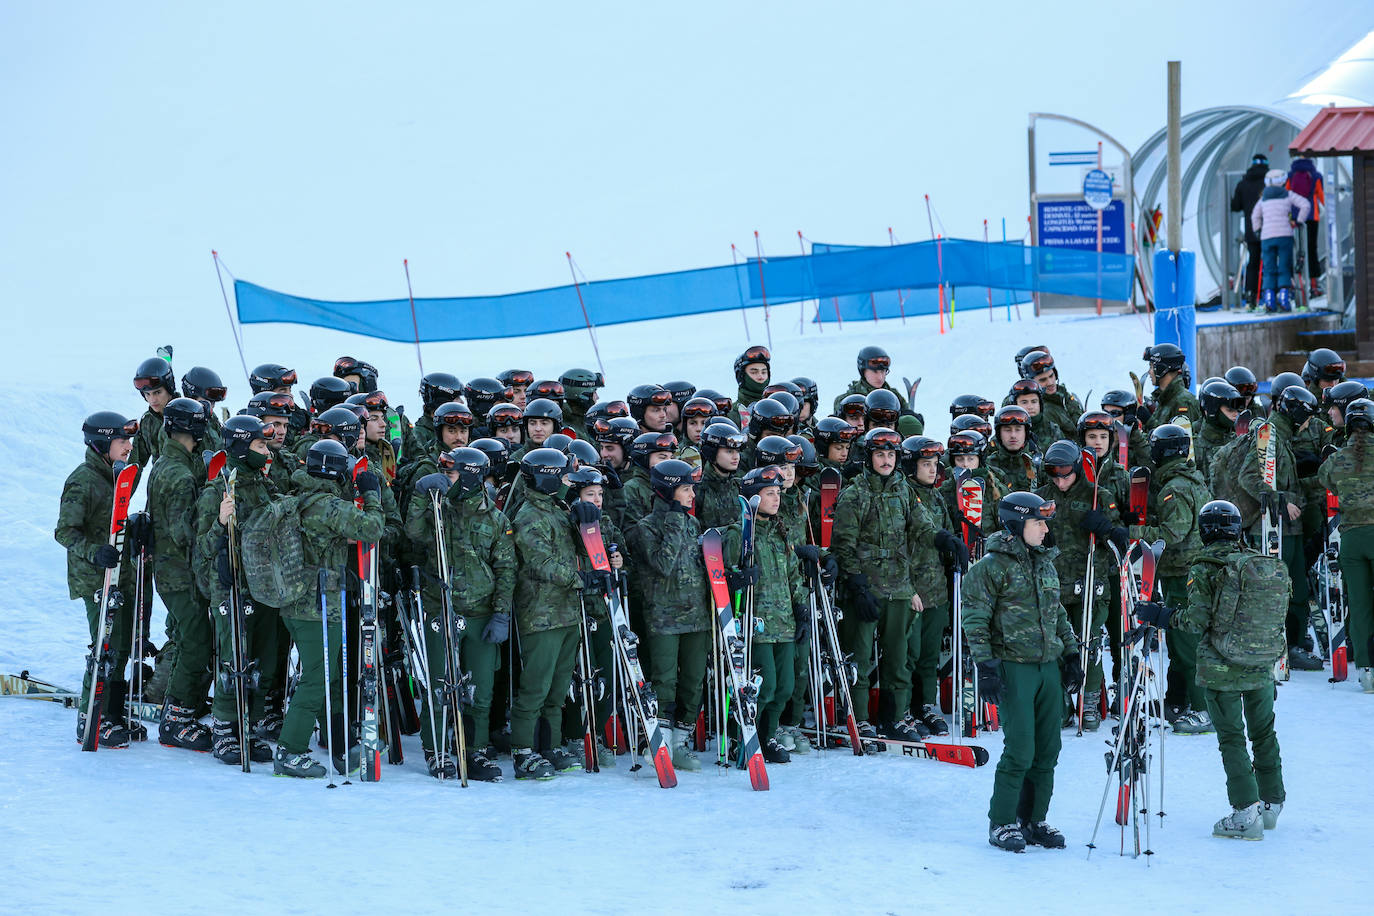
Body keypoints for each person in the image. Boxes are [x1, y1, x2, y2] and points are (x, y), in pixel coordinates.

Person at [1136, 500, 1288, 839]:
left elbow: (1195, 621)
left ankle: (1245, 813)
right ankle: (1271, 803)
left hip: (1223, 669)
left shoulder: (1204, 566)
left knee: (1232, 738)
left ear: (1204, 531)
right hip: (1261, 664)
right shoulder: (1260, 562)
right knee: (1264, 733)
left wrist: (1160, 616)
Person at [961, 492, 1082, 853]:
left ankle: (1034, 819)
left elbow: (1057, 612)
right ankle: (1002, 821)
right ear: (1016, 525)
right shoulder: (989, 568)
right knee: (1020, 749)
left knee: (1048, 749)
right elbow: (975, 619)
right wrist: (985, 666)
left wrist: (1072, 654)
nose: (1045, 529)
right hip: (1013, 668)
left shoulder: (1045, 563)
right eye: (1037, 522)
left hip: (1047, 667)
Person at [274, 440, 384, 778]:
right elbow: (373, 529)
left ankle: (337, 744)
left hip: (299, 603)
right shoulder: (328, 506)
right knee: (317, 680)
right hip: (317, 608)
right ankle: (289, 751)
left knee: (329, 676)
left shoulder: (302, 498)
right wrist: (372, 494)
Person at [404, 447, 515, 780]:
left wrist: (501, 614)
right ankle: (436, 747)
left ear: (469, 476)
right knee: (440, 686)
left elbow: (507, 569)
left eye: (451, 473)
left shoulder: (495, 519)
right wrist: (421, 495)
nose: (445, 479)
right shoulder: (439, 511)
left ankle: (474, 749)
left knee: (480, 689)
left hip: (480, 613)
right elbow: (414, 532)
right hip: (441, 607)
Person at [831, 427, 930, 744]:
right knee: (859, 658)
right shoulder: (855, 493)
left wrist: (944, 539)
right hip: (865, 589)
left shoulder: (904, 491)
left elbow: (923, 525)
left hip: (898, 586)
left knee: (897, 657)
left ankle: (894, 717)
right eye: (879, 454)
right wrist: (857, 585)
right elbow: (843, 544)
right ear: (868, 457)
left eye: (890, 454)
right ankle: (859, 718)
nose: (886, 460)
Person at [192, 415, 281, 766]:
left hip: (259, 584)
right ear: (243, 448)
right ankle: (226, 728)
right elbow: (201, 545)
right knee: (234, 657)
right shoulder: (219, 489)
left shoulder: (259, 483)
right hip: (229, 586)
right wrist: (219, 522)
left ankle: (250, 723)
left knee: (259, 658)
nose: (267, 451)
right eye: (260, 445)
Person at [56, 411, 143, 747]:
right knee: (104, 646)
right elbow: (65, 531)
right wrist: (95, 552)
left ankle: (112, 712)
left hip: (116, 574)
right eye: (123, 441)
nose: (129, 447)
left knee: (119, 645)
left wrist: (135, 527)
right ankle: (89, 715)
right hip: (93, 577)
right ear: (103, 443)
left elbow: (114, 521)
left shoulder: (113, 476)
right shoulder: (83, 480)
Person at [1035, 441, 1126, 732]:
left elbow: (1120, 543)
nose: (1060, 481)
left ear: (1077, 469)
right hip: (1053, 585)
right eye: (1054, 475)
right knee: (1055, 646)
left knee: (1089, 645)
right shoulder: (1040, 498)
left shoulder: (1098, 495)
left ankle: (1088, 703)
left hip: (1090, 583)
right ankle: (1059, 704)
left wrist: (1106, 529)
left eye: (1066, 474)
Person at [1128, 424, 1214, 731]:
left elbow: (1174, 532)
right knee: (1177, 641)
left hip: (1184, 572)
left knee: (1186, 641)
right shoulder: (1190, 479)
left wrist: (1134, 533)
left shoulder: (1174, 488)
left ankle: (1205, 710)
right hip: (1189, 569)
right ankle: (1178, 699)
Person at [627, 459, 711, 771]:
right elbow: (663, 564)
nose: (692, 495)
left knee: (693, 681)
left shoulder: (693, 523)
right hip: (663, 617)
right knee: (664, 680)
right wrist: (675, 520)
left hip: (697, 616)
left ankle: (680, 742)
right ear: (668, 490)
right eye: (686, 489)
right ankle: (659, 740)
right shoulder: (645, 528)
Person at [508, 448, 586, 779]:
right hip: (540, 614)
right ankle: (523, 751)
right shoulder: (528, 515)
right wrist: (580, 578)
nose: (566, 480)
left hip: (567, 612)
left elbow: (580, 547)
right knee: (536, 687)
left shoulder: (558, 510)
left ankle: (550, 745)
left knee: (558, 688)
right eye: (562, 475)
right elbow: (540, 562)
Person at [1237, 385, 1324, 671]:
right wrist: (1280, 502)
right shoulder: (1268, 436)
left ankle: (1294, 642)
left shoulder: (1283, 437)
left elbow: (1286, 482)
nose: (1310, 424)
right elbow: (1248, 477)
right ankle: (1276, 645)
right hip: (1271, 528)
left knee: (1297, 588)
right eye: (1308, 417)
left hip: (1291, 528)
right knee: (1275, 590)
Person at [146, 398, 216, 751]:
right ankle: (175, 720)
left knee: (192, 638)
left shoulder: (171, 463)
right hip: (179, 573)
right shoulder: (177, 473)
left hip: (174, 571)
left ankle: (179, 708)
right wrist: (212, 523)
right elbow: (182, 531)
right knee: (196, 641)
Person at [729, 465, 808, 764]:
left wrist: (800, 609)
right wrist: (735, 576)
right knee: (765, 687)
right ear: (752, 498)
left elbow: (793, 576)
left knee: (785, 687)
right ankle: (744, 737)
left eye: (777, 493)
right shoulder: (739, 533)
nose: (776, 499)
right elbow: (722, 572)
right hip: (756, 623)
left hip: (784, 623)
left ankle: (768, 736)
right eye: (769, 494)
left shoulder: (780, 532)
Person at [901, 435, 968, 735]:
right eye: (925, 464)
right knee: (908, 654)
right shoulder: (902, 495)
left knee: (929, 654)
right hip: (910, 587)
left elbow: (947, 531)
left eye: (934, 464)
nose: (931, 470)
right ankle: (903, 709)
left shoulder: (938, 496)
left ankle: (925, 705)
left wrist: (955, 554)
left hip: (936, 588)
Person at [1317, 398, 1374, 692]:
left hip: (1351, 538)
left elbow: (1324, 479)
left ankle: (1367, 672)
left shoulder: (1339, 459)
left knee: (1360, 606)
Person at [1251, 168, 1310, 312]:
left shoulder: (1263, 199)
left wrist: (1258, 231)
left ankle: (1269, 299)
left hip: (1267, 237)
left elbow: (1254, 216)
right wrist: (1299, 221)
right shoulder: (1288, 195)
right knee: (1284, 267)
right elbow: (1305, 205)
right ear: (1283, 182)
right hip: (1285, 235)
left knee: (1269, 268)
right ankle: (1284, 297)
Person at [1231, 153, 1270, 307]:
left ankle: (1250, 295)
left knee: (1252, 263)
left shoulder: (1243, 183)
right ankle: (1270, 294)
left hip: (1251, 230)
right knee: (1270, 262)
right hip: (1270, 229)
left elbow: (1235, 206)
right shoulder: (1269, 183)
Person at [696, 421, 746, 530]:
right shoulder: (698, 490)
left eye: (737, 451)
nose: (736, 457)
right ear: (711, 452)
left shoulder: (740, 486)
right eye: (729, 451)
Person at [1286, 157, 1325, 297]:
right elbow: (1322, 196)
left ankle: (1296, 285)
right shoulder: (1316, 176)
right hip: (1312, 216)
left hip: (1295, 219)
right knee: (1311, 250)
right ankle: (1314, 286)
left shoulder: (1290, 175)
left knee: (1296, 250)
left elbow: (1287, 195)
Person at [833, 345, 910, 414]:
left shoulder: (895, 397)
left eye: (883, 371)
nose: (880, 377)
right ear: (863, 372)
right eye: (875, 372)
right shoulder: (846, 401)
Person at [131, 355, 177, 467]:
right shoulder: (147, 422)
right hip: (159, 483)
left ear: (169, 389)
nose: (152, 400)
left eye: (157, 392)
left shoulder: (190, 414)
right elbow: (135, 463)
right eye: (147, 394)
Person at [987, 405, 1039, 492]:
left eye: (1018, 430)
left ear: (1026, 433)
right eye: (1007, 430)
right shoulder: (989, 465)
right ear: (999, 434)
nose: (1013, 435)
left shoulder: (1038, 465)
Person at [730, 345, 771, 426]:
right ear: (741, 376)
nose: (760, 377)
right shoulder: (730, 414)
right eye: (754, 372)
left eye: (764, 372)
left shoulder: (776, 409)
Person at [559, 368, 603, 439]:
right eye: (594, 392)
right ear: (582, 394)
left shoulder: (586, 419)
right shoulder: (568, 429)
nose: (597, 397)